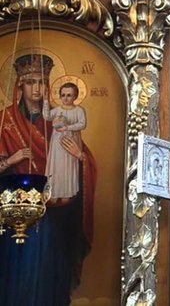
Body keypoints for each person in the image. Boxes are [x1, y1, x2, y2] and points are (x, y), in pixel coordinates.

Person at [0, 53, 97, 305]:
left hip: (52, 212)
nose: (37, 88)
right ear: (20, 84)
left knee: (47, 270)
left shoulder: (59, 117)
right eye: (30, 82)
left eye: (42, 82)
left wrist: (80, 158)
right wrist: (11, 161)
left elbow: (84, 160)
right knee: (16, 272)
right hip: (14, 213)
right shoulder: (5, 120)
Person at [42, 81, 87, 201]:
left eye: (69, 95)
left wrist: (68, 127)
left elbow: (82, 124)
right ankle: (54, 193)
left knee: (69, 167)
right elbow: (47, 116)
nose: (65, 98)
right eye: (63, 95)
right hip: (57, 144)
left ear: (75, 96)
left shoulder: (79, 110)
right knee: (57, 167)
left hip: (71, 143)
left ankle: (67, 193)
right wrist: (46, 101)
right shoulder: (57, 110)